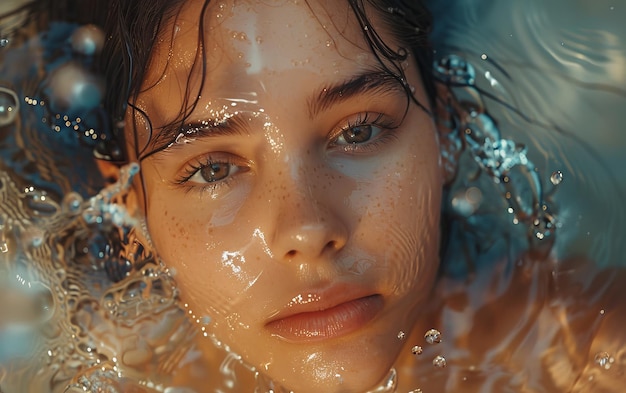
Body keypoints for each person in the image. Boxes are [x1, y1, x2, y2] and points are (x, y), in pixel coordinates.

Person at [1, 0, 625, 392]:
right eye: (213, 169)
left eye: (358, 131)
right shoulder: (91, 362)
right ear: (131, 207)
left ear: (450, 133)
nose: (306, 228)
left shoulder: (594, 356)